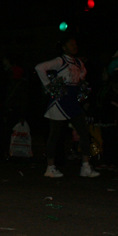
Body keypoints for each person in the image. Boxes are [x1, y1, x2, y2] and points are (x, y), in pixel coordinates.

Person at [35, 37, 98, 178]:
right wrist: (49, 86)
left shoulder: (78, 62)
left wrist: (82, 71)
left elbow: (81, 77)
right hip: (60, 101)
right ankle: (50, 167)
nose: (74, 46)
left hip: (72, 101)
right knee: (55, 135)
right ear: (64, 47)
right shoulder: (60, 61)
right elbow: (39, 67)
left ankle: (86, 166)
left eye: (75, 44)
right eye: (71, 44)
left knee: (83, 131)